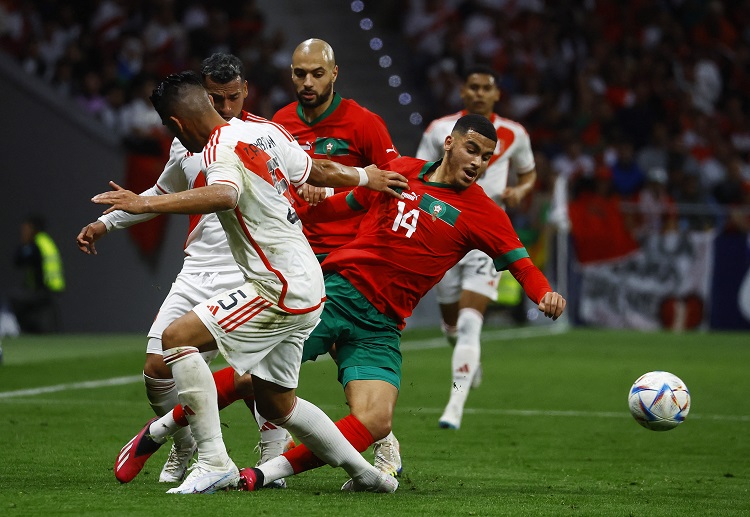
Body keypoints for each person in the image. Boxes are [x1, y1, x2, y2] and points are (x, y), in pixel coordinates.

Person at [91, 70, 408, 494]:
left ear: (177, 124)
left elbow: (225, 194)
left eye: (170, 127)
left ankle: (213, 461)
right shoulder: (266, 132)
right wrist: (367, 176)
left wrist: (146, 203)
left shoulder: (217, 148)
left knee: (176, 338)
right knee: (280, 405)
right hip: (307, 280)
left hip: (278, 286)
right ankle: (367, 474)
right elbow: (315, 169)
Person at [237, 113, 565, 490]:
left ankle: (263, 474)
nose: (477, 162)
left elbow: (523, 266)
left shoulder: (484, 212)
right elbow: (348, 204)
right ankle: (193, 445)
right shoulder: (402, 170)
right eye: (472, 150)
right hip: (339, 294)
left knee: (376, 420)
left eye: (486, 157)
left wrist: (544, 293)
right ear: (449, 143)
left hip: (382, 325)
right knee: (248, 376)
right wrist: (300, 209)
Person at [77, 53, 296, 486]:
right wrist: (107, 222)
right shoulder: (188, 142)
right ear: (200, 96)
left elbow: (299, 188)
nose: (225, 107)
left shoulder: (265, 135)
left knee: (256, 374)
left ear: (245, 91)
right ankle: (187, 443)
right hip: (197, 270)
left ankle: (272, 460)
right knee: (157, 370)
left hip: (250, 270)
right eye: (215, 98)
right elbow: (160, 192)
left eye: (233, 97)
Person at [271, 38, 403, 476]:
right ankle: (275, 443)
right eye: (299, 74)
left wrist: (331, 192)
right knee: (279, 346)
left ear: (334, 74)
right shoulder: (280, 123)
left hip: (351, 257)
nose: (307, 82)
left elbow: (393, 183)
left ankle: (378, 434)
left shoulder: (364, 123)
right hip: (297, 253)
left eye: (317, 74)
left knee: (329, 346)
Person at [415, 65, 538, 429]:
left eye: (487, 88)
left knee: (470, 324)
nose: (480, 93)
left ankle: (455, 404)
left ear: (497, 94)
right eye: (474, 87)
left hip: (486, 235)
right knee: (451, 327)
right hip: (446, 233)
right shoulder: (439, 129)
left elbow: (529, 173)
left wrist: (521, 190)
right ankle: (468, 364)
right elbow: (421, 171)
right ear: (463, 92)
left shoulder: (515, 133)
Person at [11, 215, 65, 333]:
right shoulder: (45, 241)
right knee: (46, 319)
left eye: (26, 229)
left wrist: (24, 246)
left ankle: (30, 330)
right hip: (52, 286)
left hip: (43, 288)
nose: (23, 232)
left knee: (18, 301)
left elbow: (19, 261)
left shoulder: (35, 244)